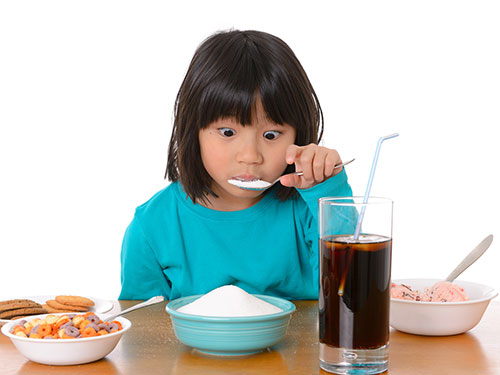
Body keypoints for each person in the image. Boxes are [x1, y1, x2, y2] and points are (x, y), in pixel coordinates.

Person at [119, 29, 353, 300]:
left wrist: (328, 192)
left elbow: (348, 296)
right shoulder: (152, 227)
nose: (250, 156)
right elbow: (143, 332)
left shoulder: (310, 210)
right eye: (228, 133)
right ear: (193, 130)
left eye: (271, 135)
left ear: (298, 135)